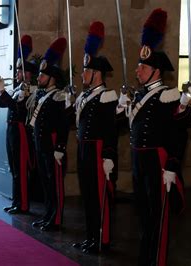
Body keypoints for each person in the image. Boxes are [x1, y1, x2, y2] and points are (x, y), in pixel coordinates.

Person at [115, 9, 191, 265]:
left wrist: (173, 165)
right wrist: (121, 107)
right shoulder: (139, 96)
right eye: (139, 65)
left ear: (156, 71)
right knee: (143, 213)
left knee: (159, 214)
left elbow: (179, 134)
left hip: (158, 161)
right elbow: (122, 126)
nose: (137, 70)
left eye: (143, 66)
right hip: (139, 160)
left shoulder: (169, 95)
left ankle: (158, 260)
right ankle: (146, 256)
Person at [70, 21, 118, 254]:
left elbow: (110, 129)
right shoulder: (85, 96)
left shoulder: (107, 96)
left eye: (87, 71)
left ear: (97, 74)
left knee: (100, 197)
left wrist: (108, 155)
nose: (83, 75)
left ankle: (102, 239)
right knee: (88, 196)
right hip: (84, 149)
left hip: (98, 149)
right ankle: (91, 236)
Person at [29, 37, 70, 231]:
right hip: (42, 145)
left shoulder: (59, 96)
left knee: (55, 184)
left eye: (42, 76)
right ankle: (48, 215)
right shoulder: (43, 95)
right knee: (46, 182)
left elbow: (63, 124)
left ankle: (56, 218)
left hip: (53, 146)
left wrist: (60, 146)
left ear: (52, 78)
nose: (39, 79)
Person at [0, 35, 36, 214]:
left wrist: (3, 91)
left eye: (20, 72)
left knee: (20, 168)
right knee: (14, 168)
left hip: (20, 131)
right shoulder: (19, 89)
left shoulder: (29, 90)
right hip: (11, 130)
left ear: (27, 74)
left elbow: (17, 108)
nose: (17, 74)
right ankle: (16, 201)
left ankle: (24, 204)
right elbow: (3, 103)